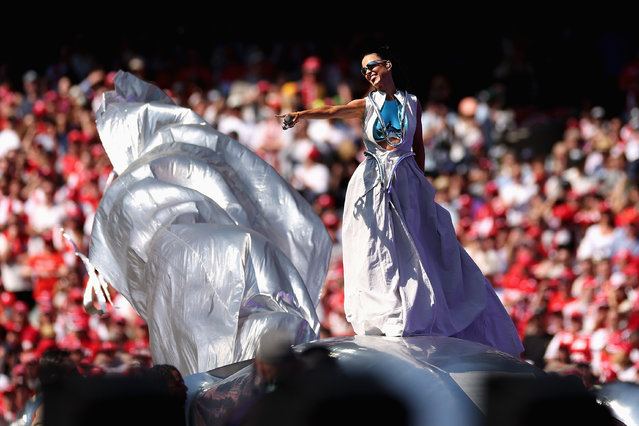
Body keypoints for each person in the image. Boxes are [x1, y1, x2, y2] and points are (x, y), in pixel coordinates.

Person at [277, 46, 524, 358]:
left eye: (372, 67)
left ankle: (419, 308)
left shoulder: (412, 103)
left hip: (407, 181)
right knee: (377, 245)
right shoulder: (367, 104)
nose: (368, 73)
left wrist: (420, 186)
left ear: (388, 65)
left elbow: (417, 146)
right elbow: (331, 111)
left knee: (418, 247)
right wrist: (301, 115)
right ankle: (387, 309)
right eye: (364, 70)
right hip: (374, 181)